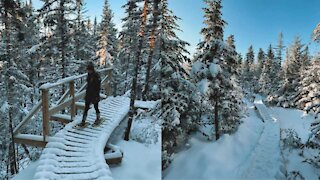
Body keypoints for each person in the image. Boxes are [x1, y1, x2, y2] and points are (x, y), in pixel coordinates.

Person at [80, 62, 101, 127]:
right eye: (88, 70)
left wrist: (96, 95)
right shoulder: (89, 75)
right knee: (86, 107)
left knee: (96, 107)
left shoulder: (96, 76)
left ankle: (98, 117)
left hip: (94, 94)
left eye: (89, 70)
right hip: (89, 94)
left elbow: (98, 87)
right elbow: (88, 85)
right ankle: (83, 120)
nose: (88, 71)